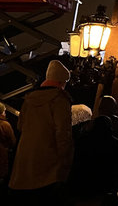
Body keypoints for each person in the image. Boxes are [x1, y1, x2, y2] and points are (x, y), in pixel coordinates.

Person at [9, 60, 73, 204]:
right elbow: (63, 133)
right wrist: (65, 160)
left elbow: (20, 126)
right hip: (49, 163)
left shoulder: (29, 99)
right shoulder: (59, 100)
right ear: (62, 82)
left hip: (25, 159)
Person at [0, 102, 17, 188]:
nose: (5, 113)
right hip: (2, 154)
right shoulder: (5, 125)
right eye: (4, 111)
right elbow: (12, 141)